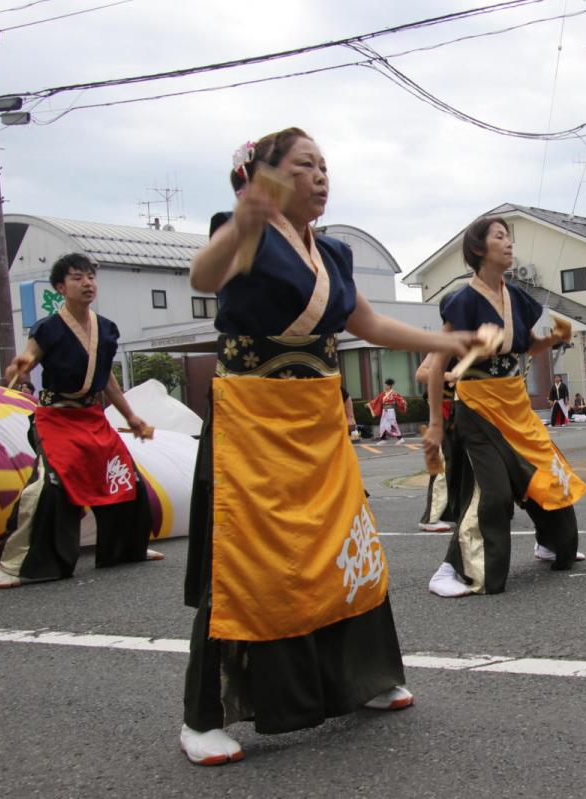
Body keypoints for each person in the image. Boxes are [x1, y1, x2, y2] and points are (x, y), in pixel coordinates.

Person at [180, 127, 475, 765]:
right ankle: (202, 714)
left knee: (344, 548)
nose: (320, 176)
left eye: (324, 166)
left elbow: (365, 323)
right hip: (253, 422)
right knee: (245, 564)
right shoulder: (240, 229)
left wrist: (440, 343)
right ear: (267, 176)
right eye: (304, 165)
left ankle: (362, 679)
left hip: (317, 421)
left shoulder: (333, 254)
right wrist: (243, 218)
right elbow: (203, 277)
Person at [424, 216, 586, 598]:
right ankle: (453, 569)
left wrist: (555, 335)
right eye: (500, 236)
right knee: (492, 495)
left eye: (509, 236)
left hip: (515, 405)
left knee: (548, 479)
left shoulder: (517, 297)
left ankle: (550, 543)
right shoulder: (462, 300)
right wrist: (434, 423)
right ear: (479, 249)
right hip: (478, 410)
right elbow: (435, 367)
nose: (509, 243)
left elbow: (529, 345)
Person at [0, 254, 161, 589]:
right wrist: (17, 367)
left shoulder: (106, 328)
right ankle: (14, 564)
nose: (87, 283)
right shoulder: (47, 328)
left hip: (92, 417)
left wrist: (131, 416)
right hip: (57, 419)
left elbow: (106, 377)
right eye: (76, 278)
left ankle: (126, 550)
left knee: (125, 479)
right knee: (50, 489)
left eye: (90, 277)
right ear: (60, 287)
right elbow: (24, 362)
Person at [416, 354, 456, 533]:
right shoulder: (447, 343)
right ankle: (431, 517)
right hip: (444, 409)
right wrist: (448, 375)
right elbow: (421, 374)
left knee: (464, 462)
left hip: (468, 407)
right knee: (442, 462)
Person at [369, 377, 406, 444]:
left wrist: (402, 402)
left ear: (390, 386)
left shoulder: (394, 393)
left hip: (390, 411)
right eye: (385, 385)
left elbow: (400, 399)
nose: (385, 386)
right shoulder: (383, 394)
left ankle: (400, 438)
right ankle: (383, 439)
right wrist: (370, 404)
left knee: (393, 424)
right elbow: (377, 400)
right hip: (384, 411)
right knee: (383, 424)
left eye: (386, 385)